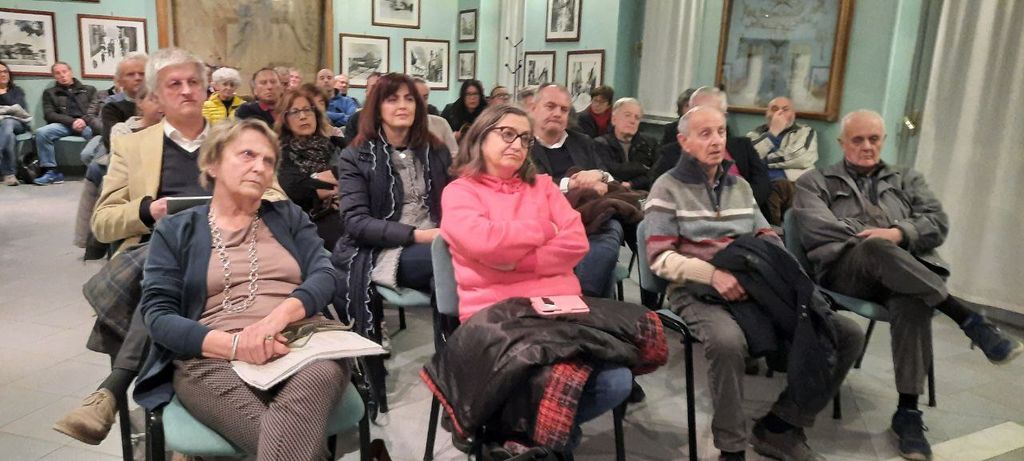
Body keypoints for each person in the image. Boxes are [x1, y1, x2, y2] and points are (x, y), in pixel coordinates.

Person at [55, 48, 287, 446]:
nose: (186, 91)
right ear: (157, 96)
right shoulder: (133, 146)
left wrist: (241, 201)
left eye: (194, 82)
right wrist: (149, 209)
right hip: (156, 251)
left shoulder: (237, 138)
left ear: (206, 89)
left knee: (175, 265)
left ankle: (113, 389)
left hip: (233, 246)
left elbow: (278, 199)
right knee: (171, 258)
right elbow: (102, 222)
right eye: (174, 84)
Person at [424, 104, 664, 456]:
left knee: (616, 379)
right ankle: (545, 444)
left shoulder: (544, 187)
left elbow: (576, 243)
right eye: (507, 133)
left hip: (560, 312)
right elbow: (483, 242)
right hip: (499, 318)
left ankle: (526, 441)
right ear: (480, 137)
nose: (517, 144)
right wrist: (544, 230)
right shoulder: (461, 191)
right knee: (556, 385)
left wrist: (510, 259)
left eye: (525, 138)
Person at [793, 109, 1023, 461]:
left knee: (912, 299)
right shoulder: (815, 181)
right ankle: (966, 317)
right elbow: (817, 229)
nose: (867, 146)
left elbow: (937, 222)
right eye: (858, 139)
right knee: (875, 247)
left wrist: (900, 233)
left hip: (903, 274)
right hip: (846, 271)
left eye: (874, 139)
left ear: (883, 141)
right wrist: (879, 238)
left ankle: (908, 413)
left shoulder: (907, 179)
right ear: (842, 143)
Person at [644, 105, 863, 461]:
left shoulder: (740, 186)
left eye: (721, 132)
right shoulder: (667, 188)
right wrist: (712, 275)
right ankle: (731, 446)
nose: (717, 141)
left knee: (846, 333)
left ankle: (781, 426)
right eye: (705, 134)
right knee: (727, 341)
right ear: (684, 141)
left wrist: (782, 273)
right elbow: (661, 259)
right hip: (696, 289)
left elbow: (766, 234)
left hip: (753, 282)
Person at [133, 118, 350, 461]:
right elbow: (158, 316)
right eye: (247, 154)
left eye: (268, 160)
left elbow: (325, 274)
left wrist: (277, 319)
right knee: (289, 445)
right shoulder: (176, 229)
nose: (260, 167)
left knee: (317, 381)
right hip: (212, 356)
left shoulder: (288, 215)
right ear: (212, 163)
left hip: (303, 342)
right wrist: (236, 345)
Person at [331, 72, 452, 341]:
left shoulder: (436, 151)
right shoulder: (356, 156)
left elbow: (456, 198)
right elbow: (356, 222)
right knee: (451, 263)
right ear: (377, 108)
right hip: (385, 247)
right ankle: (459, 351)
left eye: (409, 99)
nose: (402, 106)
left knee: (453, 271)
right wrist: (420, 236)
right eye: (392, 99)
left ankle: (455, 351)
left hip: (440, 239)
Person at [527, 83, 624, 298]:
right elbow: (528, 184)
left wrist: (598, 174)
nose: (557, 113)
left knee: (610, 228)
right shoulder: (522, 143)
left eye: (564, 109)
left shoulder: (582, 141)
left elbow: (609, 177)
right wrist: (572, 183)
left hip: (589, 214)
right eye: (550, 106)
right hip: (546, 217)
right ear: (533, 108)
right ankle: (588, 301)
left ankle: (585, 298)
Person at [649, 86, 771, 217]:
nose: (706, 117)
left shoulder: (743, 147)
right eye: (699, 111)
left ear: (724, 117)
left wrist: (736, 209)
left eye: (712, 112)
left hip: (747, 215)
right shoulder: (669, 156)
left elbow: (763, 184)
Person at [275, 85, 343, 249]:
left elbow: (357, 171)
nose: (303, 116)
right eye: (295, 112)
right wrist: (336, 182)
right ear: (285, 119)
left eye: (307, 110)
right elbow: (293, 188)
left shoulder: (336, 144)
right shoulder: (281, 152)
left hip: (349, 211)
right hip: (310, 220)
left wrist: (313, 179)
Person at [746, 96, 818, 224]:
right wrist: (772, 133)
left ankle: (771, 229)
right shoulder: (755, 134)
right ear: (767, 114)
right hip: (760, 183)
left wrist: (761, 162)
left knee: (778, 185)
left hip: (794, 184)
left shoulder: (805, 132)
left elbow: (801, 157)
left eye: (785, 109)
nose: (779, 113)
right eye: (774, 109)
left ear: (793, 114)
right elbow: (747, 157)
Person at [34, 62, 99, 185]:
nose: (62, 75)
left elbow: (94, 109)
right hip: (64, 124)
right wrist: (72, 121)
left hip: (86, 123)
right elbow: (49, 114)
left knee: (95, 134)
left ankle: (94, 171)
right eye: (57, 73)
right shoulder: (50, 93)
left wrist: (83, 120)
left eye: (64, 71)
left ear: (71, 72)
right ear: (54, 76)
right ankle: (51, 172)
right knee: (42, 132)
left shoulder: (89, 89)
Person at [593, 97, 657, 191]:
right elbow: (605, 173)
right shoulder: (599, 144)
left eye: (637, 117)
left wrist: (632, 183)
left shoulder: (650, 144)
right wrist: (641, 168)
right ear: (614, 119)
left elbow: (655, 173)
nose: (632, 121)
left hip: (644, 193)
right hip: (611, 193)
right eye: (627, 115)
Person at [98, 53, 148, 153]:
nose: (138, 78)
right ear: (120, 81)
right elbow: (113, 143)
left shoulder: (161, 104)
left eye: (142, 74)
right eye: (130, 74)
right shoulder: (112, 108)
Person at [0, 60, 29, 186]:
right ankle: (9, 175)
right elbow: (11, 107)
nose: (3, 74)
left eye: (5, 71)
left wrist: (2, 93)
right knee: (9, 136)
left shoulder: (17, 90)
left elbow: (18, 107)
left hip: (17, 123)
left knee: (7, 122)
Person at [413, 77, 459, 154]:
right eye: (417, 98)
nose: (422, 102)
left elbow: (454, 154)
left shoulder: (441, 124)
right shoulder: (398, 127)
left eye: (425, 97)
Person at [342, 72, 381, 140]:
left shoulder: (395, 120)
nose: (378, 91)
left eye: (381, 87)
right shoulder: (355, 120)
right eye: (374, 87)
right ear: (366, 91)